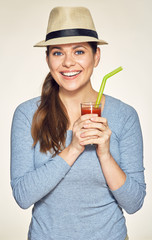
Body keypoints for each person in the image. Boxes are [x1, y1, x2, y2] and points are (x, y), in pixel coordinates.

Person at [10, 6, 146, 240]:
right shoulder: (27, 114)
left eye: (79, 51)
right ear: (48, 59)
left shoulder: (124, 115)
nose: (68, 63)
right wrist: (73, 148)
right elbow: (23, 196)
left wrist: (105, 154)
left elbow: (134, 203)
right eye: (58, 53)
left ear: (97, 56)